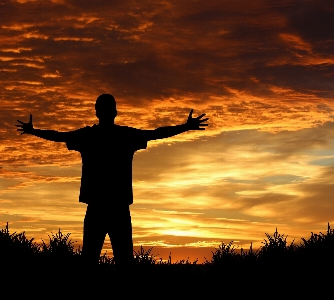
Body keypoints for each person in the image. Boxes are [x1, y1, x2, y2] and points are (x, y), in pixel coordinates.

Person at [16, 94, 208, 271]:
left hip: (101, 207)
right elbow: (155, 133)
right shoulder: (123, 136)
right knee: (119, 263)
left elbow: (60, 136)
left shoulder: (90, 136)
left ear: (97, 112)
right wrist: (185, 127)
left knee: (94, 262)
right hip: (116, 208)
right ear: (114, 112)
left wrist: (34, 131)